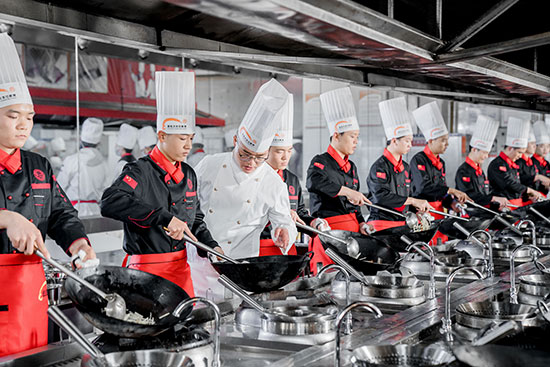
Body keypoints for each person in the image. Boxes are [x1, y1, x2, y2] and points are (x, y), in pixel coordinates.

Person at [0, 32, 95, 357]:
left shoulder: (38, 165)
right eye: (13, 116)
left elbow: (60, 214)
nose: (24, 125)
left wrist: (78, 242)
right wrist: (7, 218)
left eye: (29, 117)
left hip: (30, 294)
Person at [101, 71, 221, 297]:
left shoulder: (188, 173)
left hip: (181, 270)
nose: (188, 146)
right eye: (182, 139)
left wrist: (211, 246)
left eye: (191, 139)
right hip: (146, 273)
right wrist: (164, 217)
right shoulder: (140, 170)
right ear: (163, 136)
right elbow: (109, 202)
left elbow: (194, 219)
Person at [195, 78, 297, 259]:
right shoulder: (209, 165)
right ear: (235, 141)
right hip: (202, 261)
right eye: (245, 154)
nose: (251, 162)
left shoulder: (273, 182)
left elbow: (284, 220)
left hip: (243, 264)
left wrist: (283, 230)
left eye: (260, 158)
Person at [306, 87, 371, 273]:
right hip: (329, 234)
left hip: (353, 237)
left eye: (357, 137)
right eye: (352, 137)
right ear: (336, 135)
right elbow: (313, 183)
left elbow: (355, 204)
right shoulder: (320, 162)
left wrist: (361, 223)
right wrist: (346, 191)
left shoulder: (352, 167)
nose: (355, 141)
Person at [261, 94, 329, 255]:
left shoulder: (291, 179)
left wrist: (313, 223)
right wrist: (278, 214)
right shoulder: (256, 177)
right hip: (261, 248)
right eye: (279, 152)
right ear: (266, 151)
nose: (286, 157)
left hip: (287, 248)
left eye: (289, 151)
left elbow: (299, 214)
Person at [367, 97, 432, 231]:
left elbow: (408, 197)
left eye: (411, 141)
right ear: (394, 140)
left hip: (402, 224)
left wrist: (417, 209)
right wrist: (413, 201)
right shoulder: (379, 167)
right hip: (381, 225)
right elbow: (381, 197)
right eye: (407, 141)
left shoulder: (406, 167)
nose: (410, 145)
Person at [57, 117, 109, 217]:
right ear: (98, 142)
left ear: (81, 139)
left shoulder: (72, 160)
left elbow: (59, 188)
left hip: (75, 210)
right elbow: (106, 189)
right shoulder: (103, 163)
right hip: (96, 211)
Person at [455, 115, 509, 210]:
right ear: (474, 149)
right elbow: (469, 195)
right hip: (470, 215)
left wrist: (495, 202)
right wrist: (492, 198)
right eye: (484, 153)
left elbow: (484, 194)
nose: (486, 156)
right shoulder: (463, 171)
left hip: (482, 212)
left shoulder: (480, 171)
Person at [488, 117, 545, 206]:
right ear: (510, 148)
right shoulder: (497, 164)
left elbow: (517, 187)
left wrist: (528, 195)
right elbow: (508, 184)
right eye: (519, 152)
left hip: (517, 205)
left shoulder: (512, 165)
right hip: (505, 207)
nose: (520, 156)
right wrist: (529, 190)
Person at [516, 122, 550, 196]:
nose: (545, 150)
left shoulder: (532, 162)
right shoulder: (519, 162)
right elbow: (518, 182)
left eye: (548, 146)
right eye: (532, 144)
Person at [532, 120, 550, 195]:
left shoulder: (547, 163)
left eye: (548, 146)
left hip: (544, 197)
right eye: (542, 146)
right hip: (531, 198)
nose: (546, 150)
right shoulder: (530, 163)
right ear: (535, 147)